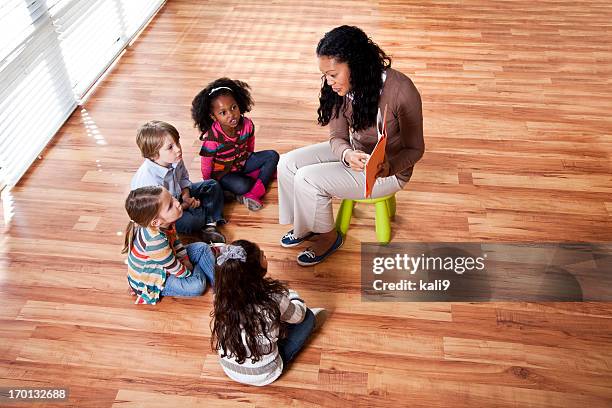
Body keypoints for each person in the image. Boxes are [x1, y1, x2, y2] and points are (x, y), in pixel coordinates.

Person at [278, 25, 425, 266]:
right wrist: (346, 154)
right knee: (287, 163)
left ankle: (329, 238)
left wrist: (388, 167)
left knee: (307, 178)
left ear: (356, 65)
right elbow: (337, 136)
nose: (329, 82)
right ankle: (307, 226)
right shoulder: (339, 88)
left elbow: (415, 149)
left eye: (333, 75)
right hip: (355, 153)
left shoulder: (402, 91)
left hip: (387, 171)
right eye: (324, 74)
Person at [210, 240, 327, 386]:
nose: (265, 257)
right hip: (266, 374)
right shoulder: (273, 299)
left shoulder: (219, 297)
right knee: (307, 317)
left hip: (229, 369)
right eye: (262, 256)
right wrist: (291, 295)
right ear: (258, 270)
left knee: (264, 325)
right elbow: (299, 316)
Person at [191, 78, 279, 211]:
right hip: (224, 173)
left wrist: (250, 157)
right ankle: (256, 180)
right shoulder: (212, 139)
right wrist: (210, 183)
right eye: (223, 113)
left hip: (242, 162)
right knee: (243, 186)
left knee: (272, 155)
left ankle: (255, 192)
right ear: (213, 116)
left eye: (234, 107)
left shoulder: (247, 124)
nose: (231, 115)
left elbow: (250, 144)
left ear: (239, 104)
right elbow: (206, 164)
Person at [131, 120, 226, 243]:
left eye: (177, 142)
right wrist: (185, 206)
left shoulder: (175, 158)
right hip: (164, 213)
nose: (178, 149)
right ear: (154, 155)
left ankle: (210, 224)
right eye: (170, 147)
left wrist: (186, 196)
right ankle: (209, 213)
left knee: (212, 184)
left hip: (177, 197)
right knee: (192, 221)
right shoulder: (149, 182)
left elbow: (183, 179)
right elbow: (161, 214)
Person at [122, 186, 216, 305]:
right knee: (197, 285)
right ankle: (210, 272)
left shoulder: (166, 224)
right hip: (154, 278)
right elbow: (174, 267)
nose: (177, 203)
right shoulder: (155, 241)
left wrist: (185, 259)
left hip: (166, 262)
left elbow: (176, 243)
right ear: (156, 222)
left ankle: (220, 285)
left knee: (202, 247)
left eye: (172, 198)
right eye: (170, 205)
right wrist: (188, 270)